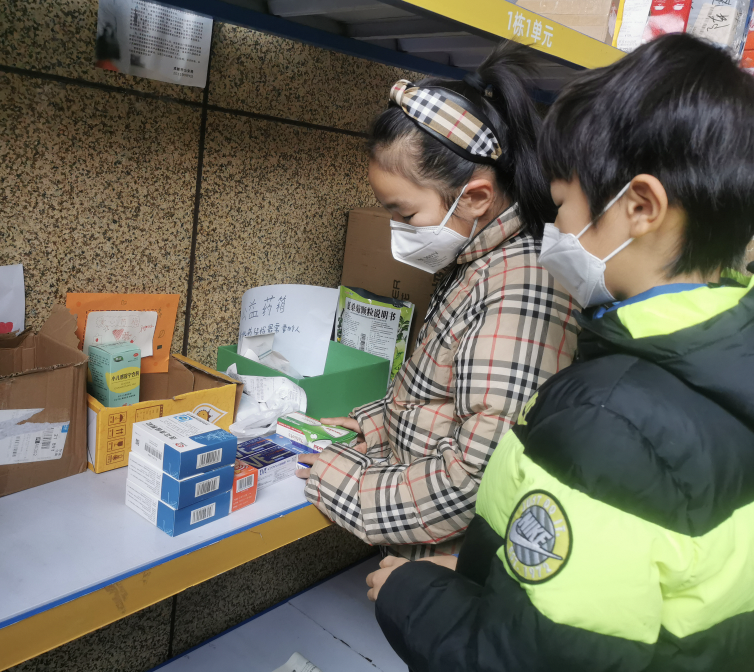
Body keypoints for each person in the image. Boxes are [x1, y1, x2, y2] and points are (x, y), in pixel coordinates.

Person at [366, 33, 754, 671]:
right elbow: (617, 580)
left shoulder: (609, 420)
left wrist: (411, 594)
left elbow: (531, 660)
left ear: (640, 207)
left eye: (563, 203)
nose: (555, 229)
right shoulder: (720, 356)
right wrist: (482, 571)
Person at [297, 44, 578, 560]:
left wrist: (343, 482)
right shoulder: (481, 258)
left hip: (450, 564)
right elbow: (441, 400)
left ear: (475, 198)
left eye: (405, 215)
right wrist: (373, 424)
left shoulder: (521, 288)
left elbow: (477, 478)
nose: (397, 231)